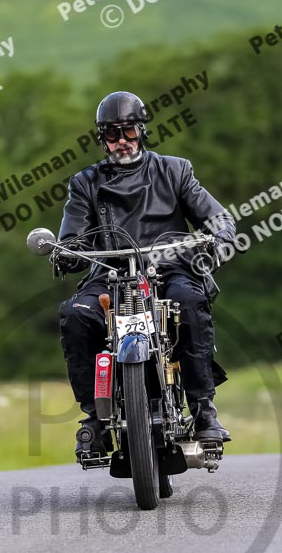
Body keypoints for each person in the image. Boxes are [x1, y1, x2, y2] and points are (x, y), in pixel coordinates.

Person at [53, 91, 236, 460]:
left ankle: (203, 408)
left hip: (170, 269)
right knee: (75, 314)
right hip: (109, 276)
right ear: (101, 138)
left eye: (129, 131)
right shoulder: (85, 183)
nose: (121, 141)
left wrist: (220, 234)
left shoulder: (175, 170)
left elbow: (216, 215)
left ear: (142, 131)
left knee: (191, 301)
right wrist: (65, 253)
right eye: (112, 133)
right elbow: (70, 237)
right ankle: (95, 421)